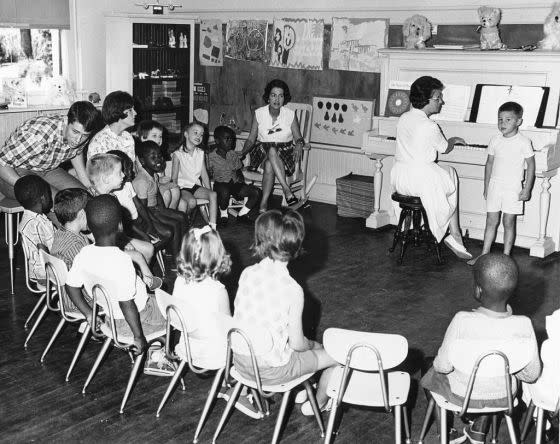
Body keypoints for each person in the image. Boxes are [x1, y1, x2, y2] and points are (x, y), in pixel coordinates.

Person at [421, 253, 541, 444]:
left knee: (429, 366)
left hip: (462, 397)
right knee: (493, 374)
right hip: (504, 398)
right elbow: (532, 374)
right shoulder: (524, 325)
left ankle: (447, 431)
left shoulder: (461, 320)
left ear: (478, 290)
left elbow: (443, 367)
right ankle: (479, 429)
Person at [233, 209, 338, 415]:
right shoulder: (292, 289)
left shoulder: (247, 273)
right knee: (337, 356)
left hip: (241, 362)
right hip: (271, 372)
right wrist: (313, 345)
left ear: (261, 238)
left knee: (303, 350)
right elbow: (298, 344)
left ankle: (301, 388)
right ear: (296, 245)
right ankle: (318, 404)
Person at [65, 195, 171, 372]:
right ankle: (156, 355)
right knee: (172, 311)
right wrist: (138, 337)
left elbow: (71, 286)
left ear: (89, 226)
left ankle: (151, 345)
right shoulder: (122, 261)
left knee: (156, 296)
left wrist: (89, 314)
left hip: (109, 317)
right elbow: (126, 304)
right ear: (120, 226)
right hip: (136, 319)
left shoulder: (84, 253)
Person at [172, 226, 257, 415]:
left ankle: (226, 383)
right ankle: (239, 390)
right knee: (247, 341)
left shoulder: (179, 281)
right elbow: (229, 332)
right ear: (218, 257)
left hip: (187, 347)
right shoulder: (218, 291)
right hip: (215, 356)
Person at [391, 76, 472, 259]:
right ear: (426, 100)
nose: (441, 101)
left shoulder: (403, 118)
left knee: (445, 174)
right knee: (451, 174)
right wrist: (454, 140)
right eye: (438, 98)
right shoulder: (430, 125)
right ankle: (455, 234)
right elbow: (445, 148)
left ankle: (412, 227)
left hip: (400, 177)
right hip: (420, 180)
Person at [467, 102, 535, 265]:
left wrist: (527, 189)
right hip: (495, 186)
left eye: (508, 120)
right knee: (491, 220)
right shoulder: (495, 140)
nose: (502, 123)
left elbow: (531, 165)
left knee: (508, 221)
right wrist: (486, 186)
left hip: (512, 187)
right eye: (500, 119)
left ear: (518, 121)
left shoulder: (523, 141)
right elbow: (489, 163)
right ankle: (484, 254)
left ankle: (506, 257)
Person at [86, 153, 162, 290]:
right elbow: (92, 236)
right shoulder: (93, 201)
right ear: (106, 179)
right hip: (101, 248)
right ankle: (136, 283)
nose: (123, 175)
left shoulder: (112, 196)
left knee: (149, 248)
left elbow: (116, 228)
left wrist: (124, 241)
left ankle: (140, 281)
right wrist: (121, 245)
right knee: (138, 256)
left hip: (115, 238)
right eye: (119, 172)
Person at [0, 101, 102, 199]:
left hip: (47, 169)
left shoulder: (81, 134)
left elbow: (76, 152)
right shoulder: (38, 135)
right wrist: (23, 185)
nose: (78, 140)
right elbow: (2, 163)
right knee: (57, 203)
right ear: (66, 121)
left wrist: (87, 184)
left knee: (83, 198)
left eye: (84, 136)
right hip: (15, 172)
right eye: (75, 132)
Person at [240, 79, 305, 211]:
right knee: (271, 151)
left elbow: (298, 137)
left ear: (284, 98)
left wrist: (299, 143)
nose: (277, 99)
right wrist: (242, 152)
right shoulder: (259, 113)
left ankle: (263, 204)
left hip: (285, 154)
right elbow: (251, 139)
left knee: (270, 161)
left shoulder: (290, 115)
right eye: (273, 95)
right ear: (268, 97)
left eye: (280, 95)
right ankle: (288, 192)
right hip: (262, 152)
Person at [135, 141, 187, 257]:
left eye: (159, 156)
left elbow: (157, 193)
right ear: (142, 161)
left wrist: (163, 209)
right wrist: (156, 220)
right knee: (173, 225)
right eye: (153, 157)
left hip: (155, 209)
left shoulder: (153, 174)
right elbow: (142, 208)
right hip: (147, 213)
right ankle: (175, 258)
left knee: (182, 217)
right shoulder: (142, 180)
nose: (158, 160)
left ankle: (179, 249)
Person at [208, 125, 261, 225]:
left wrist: (240, 176)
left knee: (256, 192)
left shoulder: (233, 154)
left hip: (235, 184)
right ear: (217, 141)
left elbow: (238, 169)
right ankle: (223, 214)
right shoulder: (211, 157)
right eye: (227, 139)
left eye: (232, 139)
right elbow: (207, 172)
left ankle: (242, 214)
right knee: (224, 191)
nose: (230, 141)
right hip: (220, 184)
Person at [171, 122, 218, 228]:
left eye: (201, 134)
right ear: (186, 134)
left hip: (195, 186)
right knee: (191, 202)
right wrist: (175, 194)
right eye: (195, 133)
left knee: (213, 194)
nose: (199, 136)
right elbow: (173, 178)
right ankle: (184, 221)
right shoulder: (178, 154)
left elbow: (204, 174)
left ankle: (213, 229)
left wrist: (209, 190)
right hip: (182, 187)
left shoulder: (200, 152)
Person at [14, 175, 55, 282]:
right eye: (49, 194)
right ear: (43, 198)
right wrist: (57, 279)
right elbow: (44, 255)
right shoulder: (34, 225)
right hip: (46, 273)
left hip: (49, 266)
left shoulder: (35, 218)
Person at [137, 119, 181, 209]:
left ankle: (169, 215)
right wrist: (160, 181)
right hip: (148, 188)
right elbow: (143, 179)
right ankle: (162, 216)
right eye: (154, 136)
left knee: (176, 189)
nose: (158, 139)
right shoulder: (141, 157)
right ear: (143, 138)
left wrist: (163, 180)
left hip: (158, 184)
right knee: (167, 193)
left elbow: (161, 174)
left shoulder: (159, 154)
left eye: (160, 136)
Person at [87, 91, 136, 161]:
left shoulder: (128, 137)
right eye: (130, 110)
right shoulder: (99, 142)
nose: (135, 113)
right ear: (118, 111)